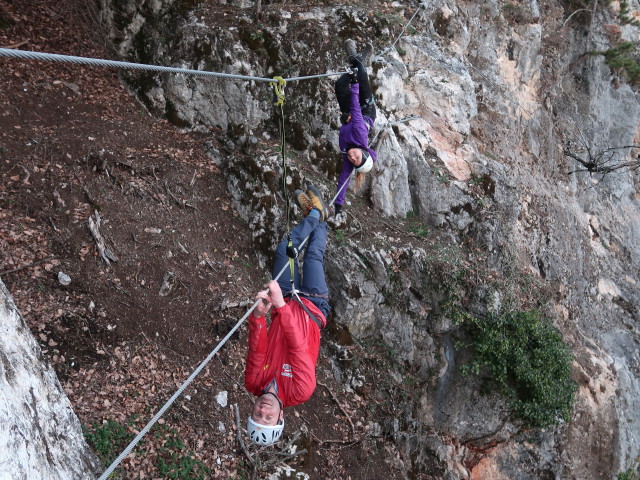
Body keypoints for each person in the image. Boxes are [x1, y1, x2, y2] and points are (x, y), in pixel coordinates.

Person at [244, 184, 331, 446]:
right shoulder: (301, 391)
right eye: (268, 418)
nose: (263, 410)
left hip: (286, 303)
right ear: (280, 416)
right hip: (312, 308)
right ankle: (318, 215)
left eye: (257, 415)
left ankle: (316, 214)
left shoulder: (253, 382)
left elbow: (257, 349)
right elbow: (298, 348)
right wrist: (281, 307)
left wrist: (259, 317)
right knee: (313, 256)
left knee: (286, 249)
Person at [334, 39, 377, 217]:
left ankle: (359, 61)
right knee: (358, 70)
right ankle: (359, 59)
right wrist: (355, 83)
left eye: (352, 160)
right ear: (363, 150)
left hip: (350, 116)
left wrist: (338, 206)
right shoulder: (360, 135)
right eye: (356, 156)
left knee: (339, 85)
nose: (351, 156)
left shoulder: (348, 155)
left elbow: (344, 180)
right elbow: (355, 108)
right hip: (364, 108)